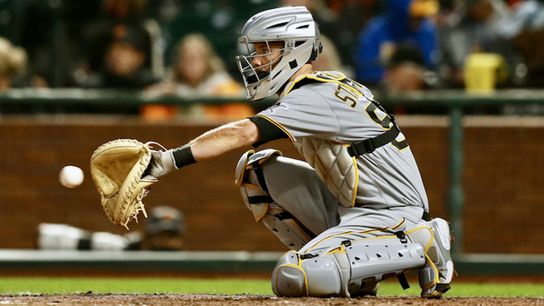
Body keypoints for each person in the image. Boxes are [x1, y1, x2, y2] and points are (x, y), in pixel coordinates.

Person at [144, 6, 453, 298]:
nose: (258, 59)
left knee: (293, 277)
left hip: (391, 214)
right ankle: (355, 268)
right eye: (258, 50)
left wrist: (167, 160)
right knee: (256, 170)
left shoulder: (315, 94)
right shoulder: (319, 88)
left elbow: (243, 132)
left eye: (267, 49)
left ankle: (423, 240)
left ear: (295, 49)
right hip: (353, 207)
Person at [143, 33, 254, 121]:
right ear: (179, 62)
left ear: (207, 61)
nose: (191, 63)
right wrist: (161, 95)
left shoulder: (223, 87)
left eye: (196, 58)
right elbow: (153, 121)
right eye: (186, 58)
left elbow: (239, 123)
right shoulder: (170, 87)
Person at [354, 0, 439, 86]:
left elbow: (433, 67)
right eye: (414, 16)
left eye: (422, 17)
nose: (419, 22)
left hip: (421, 93)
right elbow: (364, 70)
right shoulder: (376, 30)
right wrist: (391, 75)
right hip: (384, 93)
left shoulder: (426, 31)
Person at [38, 206, 185, 251]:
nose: (166, 241)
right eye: (161, 235)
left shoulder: (183, 266)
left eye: (171, 236)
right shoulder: (124, 247)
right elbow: (97, 242)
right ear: (147, 236)